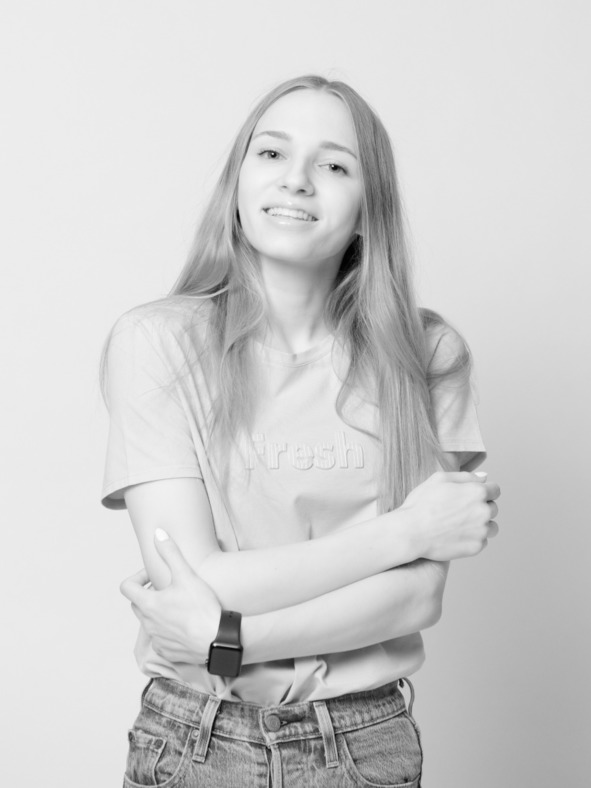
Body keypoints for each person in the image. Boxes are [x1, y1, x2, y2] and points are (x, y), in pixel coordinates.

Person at [100, 74, 499, 787]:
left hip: (364, 744)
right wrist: (406, 531)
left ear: (369, 209)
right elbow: (197, 577)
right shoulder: (157, 343)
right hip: (193, 740)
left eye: (335, 165)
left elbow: (415, 599)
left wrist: (229, 639)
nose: (297, 180)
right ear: (238, 183)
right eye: (272, 153)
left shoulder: (427, 356)